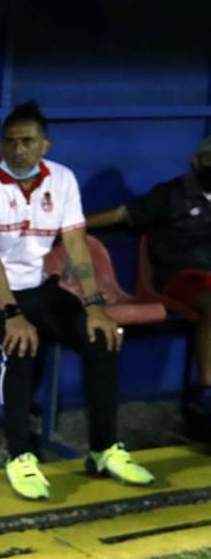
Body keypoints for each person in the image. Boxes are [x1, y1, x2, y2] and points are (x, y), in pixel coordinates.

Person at [0, 101, 154, 501]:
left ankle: (102, 449)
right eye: (9, 141)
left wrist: (94, 304)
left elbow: (77, 244)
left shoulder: (61, 179)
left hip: (36, 284)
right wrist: (12, 314)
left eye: (27, 141)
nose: (17, 149)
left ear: (45, 145)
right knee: (22, 347)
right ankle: (20, 456)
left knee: (104, 338)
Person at [86, 137, 211, 434]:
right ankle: (207, 392)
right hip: (182, 275)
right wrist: (70, 225)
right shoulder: (171, 195)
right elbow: (122, 214)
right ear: (197, 163)